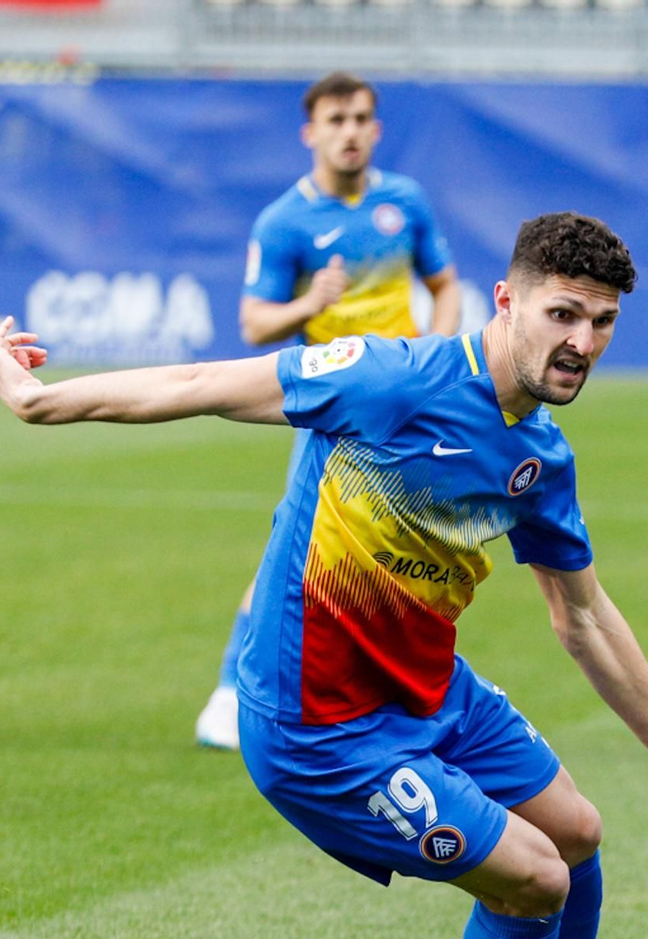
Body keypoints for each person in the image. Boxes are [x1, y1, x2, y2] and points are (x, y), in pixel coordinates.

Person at [0, 212, 648, 939]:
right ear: (506, 301)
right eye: (563, 314)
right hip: (322, 725)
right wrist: (42, 401)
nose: (582, 341)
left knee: (577, 832)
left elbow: (582, 618)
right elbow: (207, 380)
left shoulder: (541, 454)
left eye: (603, 322)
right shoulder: (390, 378)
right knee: (536, 878)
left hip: (430, 690)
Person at [196, 70, 463, 751]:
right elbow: (255, 325)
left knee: (408, 554)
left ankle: (391, 694)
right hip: (335, 408)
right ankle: (231, 688)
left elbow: (444, 283)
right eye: (336, 120)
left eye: (361, 119)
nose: (349, 132)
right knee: (296, 547)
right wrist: (310, 305)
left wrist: (438, 353)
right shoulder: (286, 221)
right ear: (310, 132)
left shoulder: (404, 202)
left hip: (408, 404)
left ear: (376, 129)